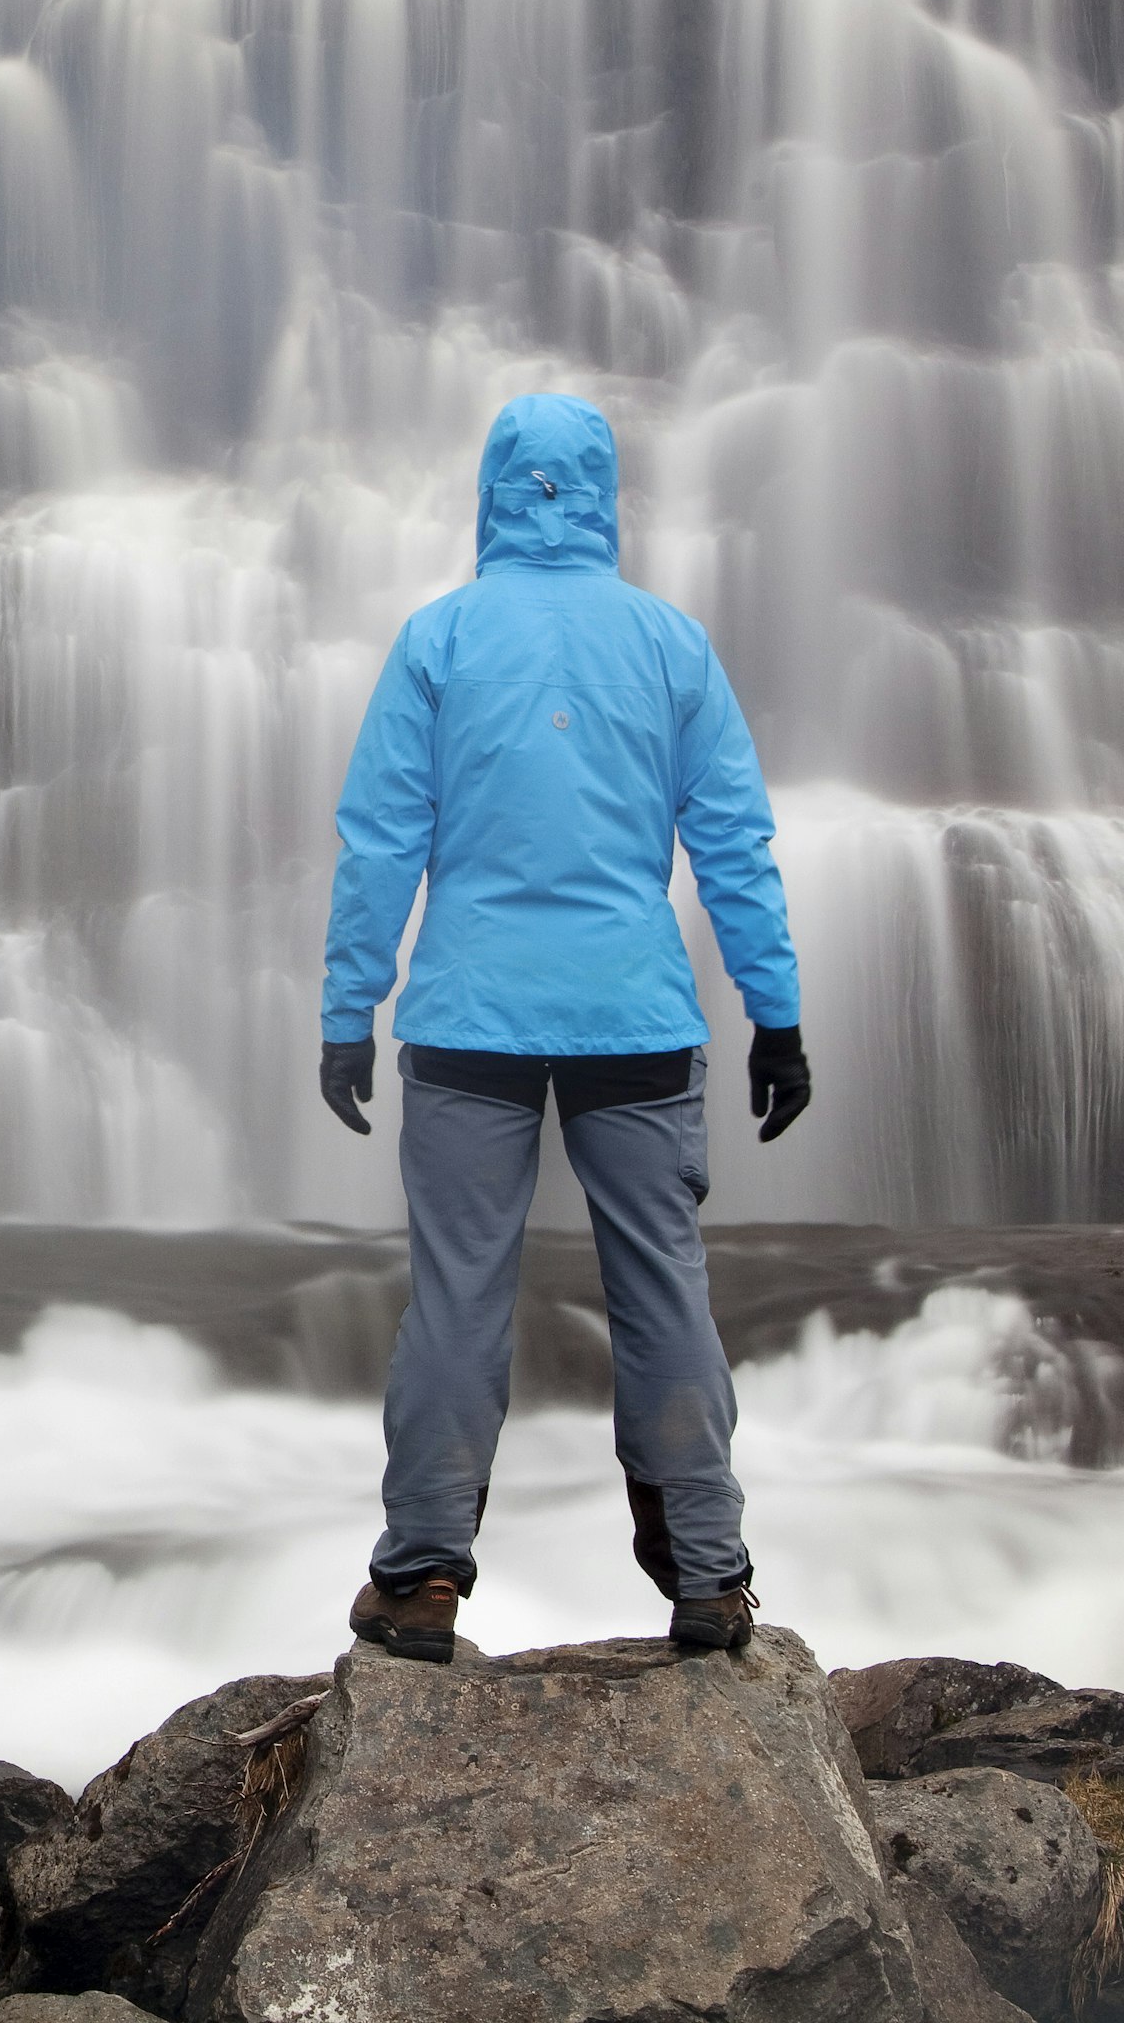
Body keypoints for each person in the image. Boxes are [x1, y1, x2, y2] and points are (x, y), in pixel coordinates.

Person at [316, 393, 808, 1664]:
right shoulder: (670, 644)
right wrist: (776, 1011)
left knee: (459, 1298)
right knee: (663, 1288)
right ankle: (708, 1574)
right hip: (635, 1020)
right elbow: (734, 846)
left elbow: (381, 841)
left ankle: (422, 1576)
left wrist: (347, 1009)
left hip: (470, 1021)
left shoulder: (439, 641)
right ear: (604, 495)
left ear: (491, 490)